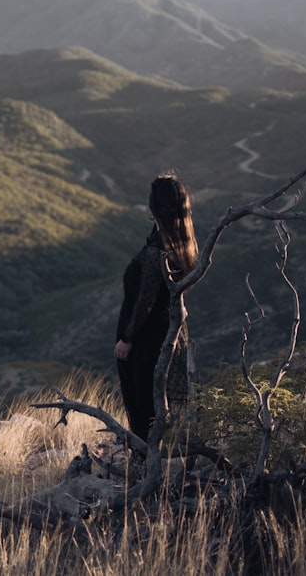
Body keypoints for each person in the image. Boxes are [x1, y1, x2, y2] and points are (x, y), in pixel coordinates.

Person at [114, 172, 198, 442]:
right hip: (168, 336)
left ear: (155, 207)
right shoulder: (178, 243)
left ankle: (145, 468)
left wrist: (127, 339)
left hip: (146, 343)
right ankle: (157, 463)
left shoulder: (155, 253)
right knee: (158, 408)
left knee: (144, 409)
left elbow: (146, 301)